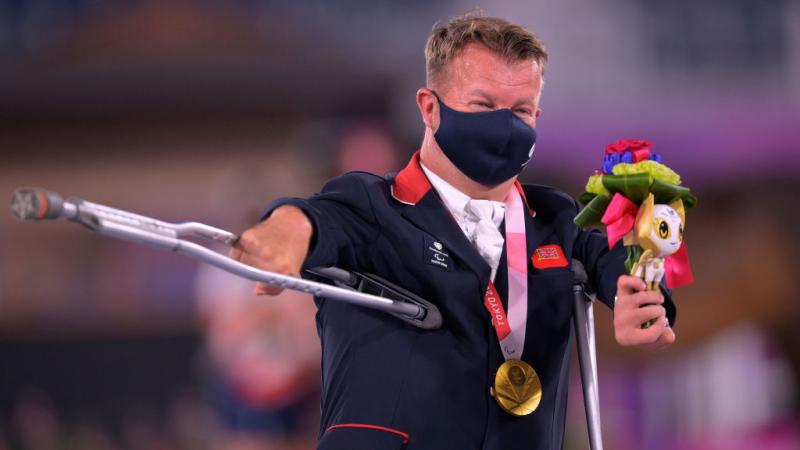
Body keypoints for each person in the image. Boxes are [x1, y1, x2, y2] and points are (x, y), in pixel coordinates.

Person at [230, 12, 676, 450]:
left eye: (521, 110)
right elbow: (311, 219)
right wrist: (280, 235)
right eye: (481, 105)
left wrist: (637, 296)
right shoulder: (371, 205)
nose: (503, 125)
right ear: (429, 107)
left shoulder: (556, 218)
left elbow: (616, 256)